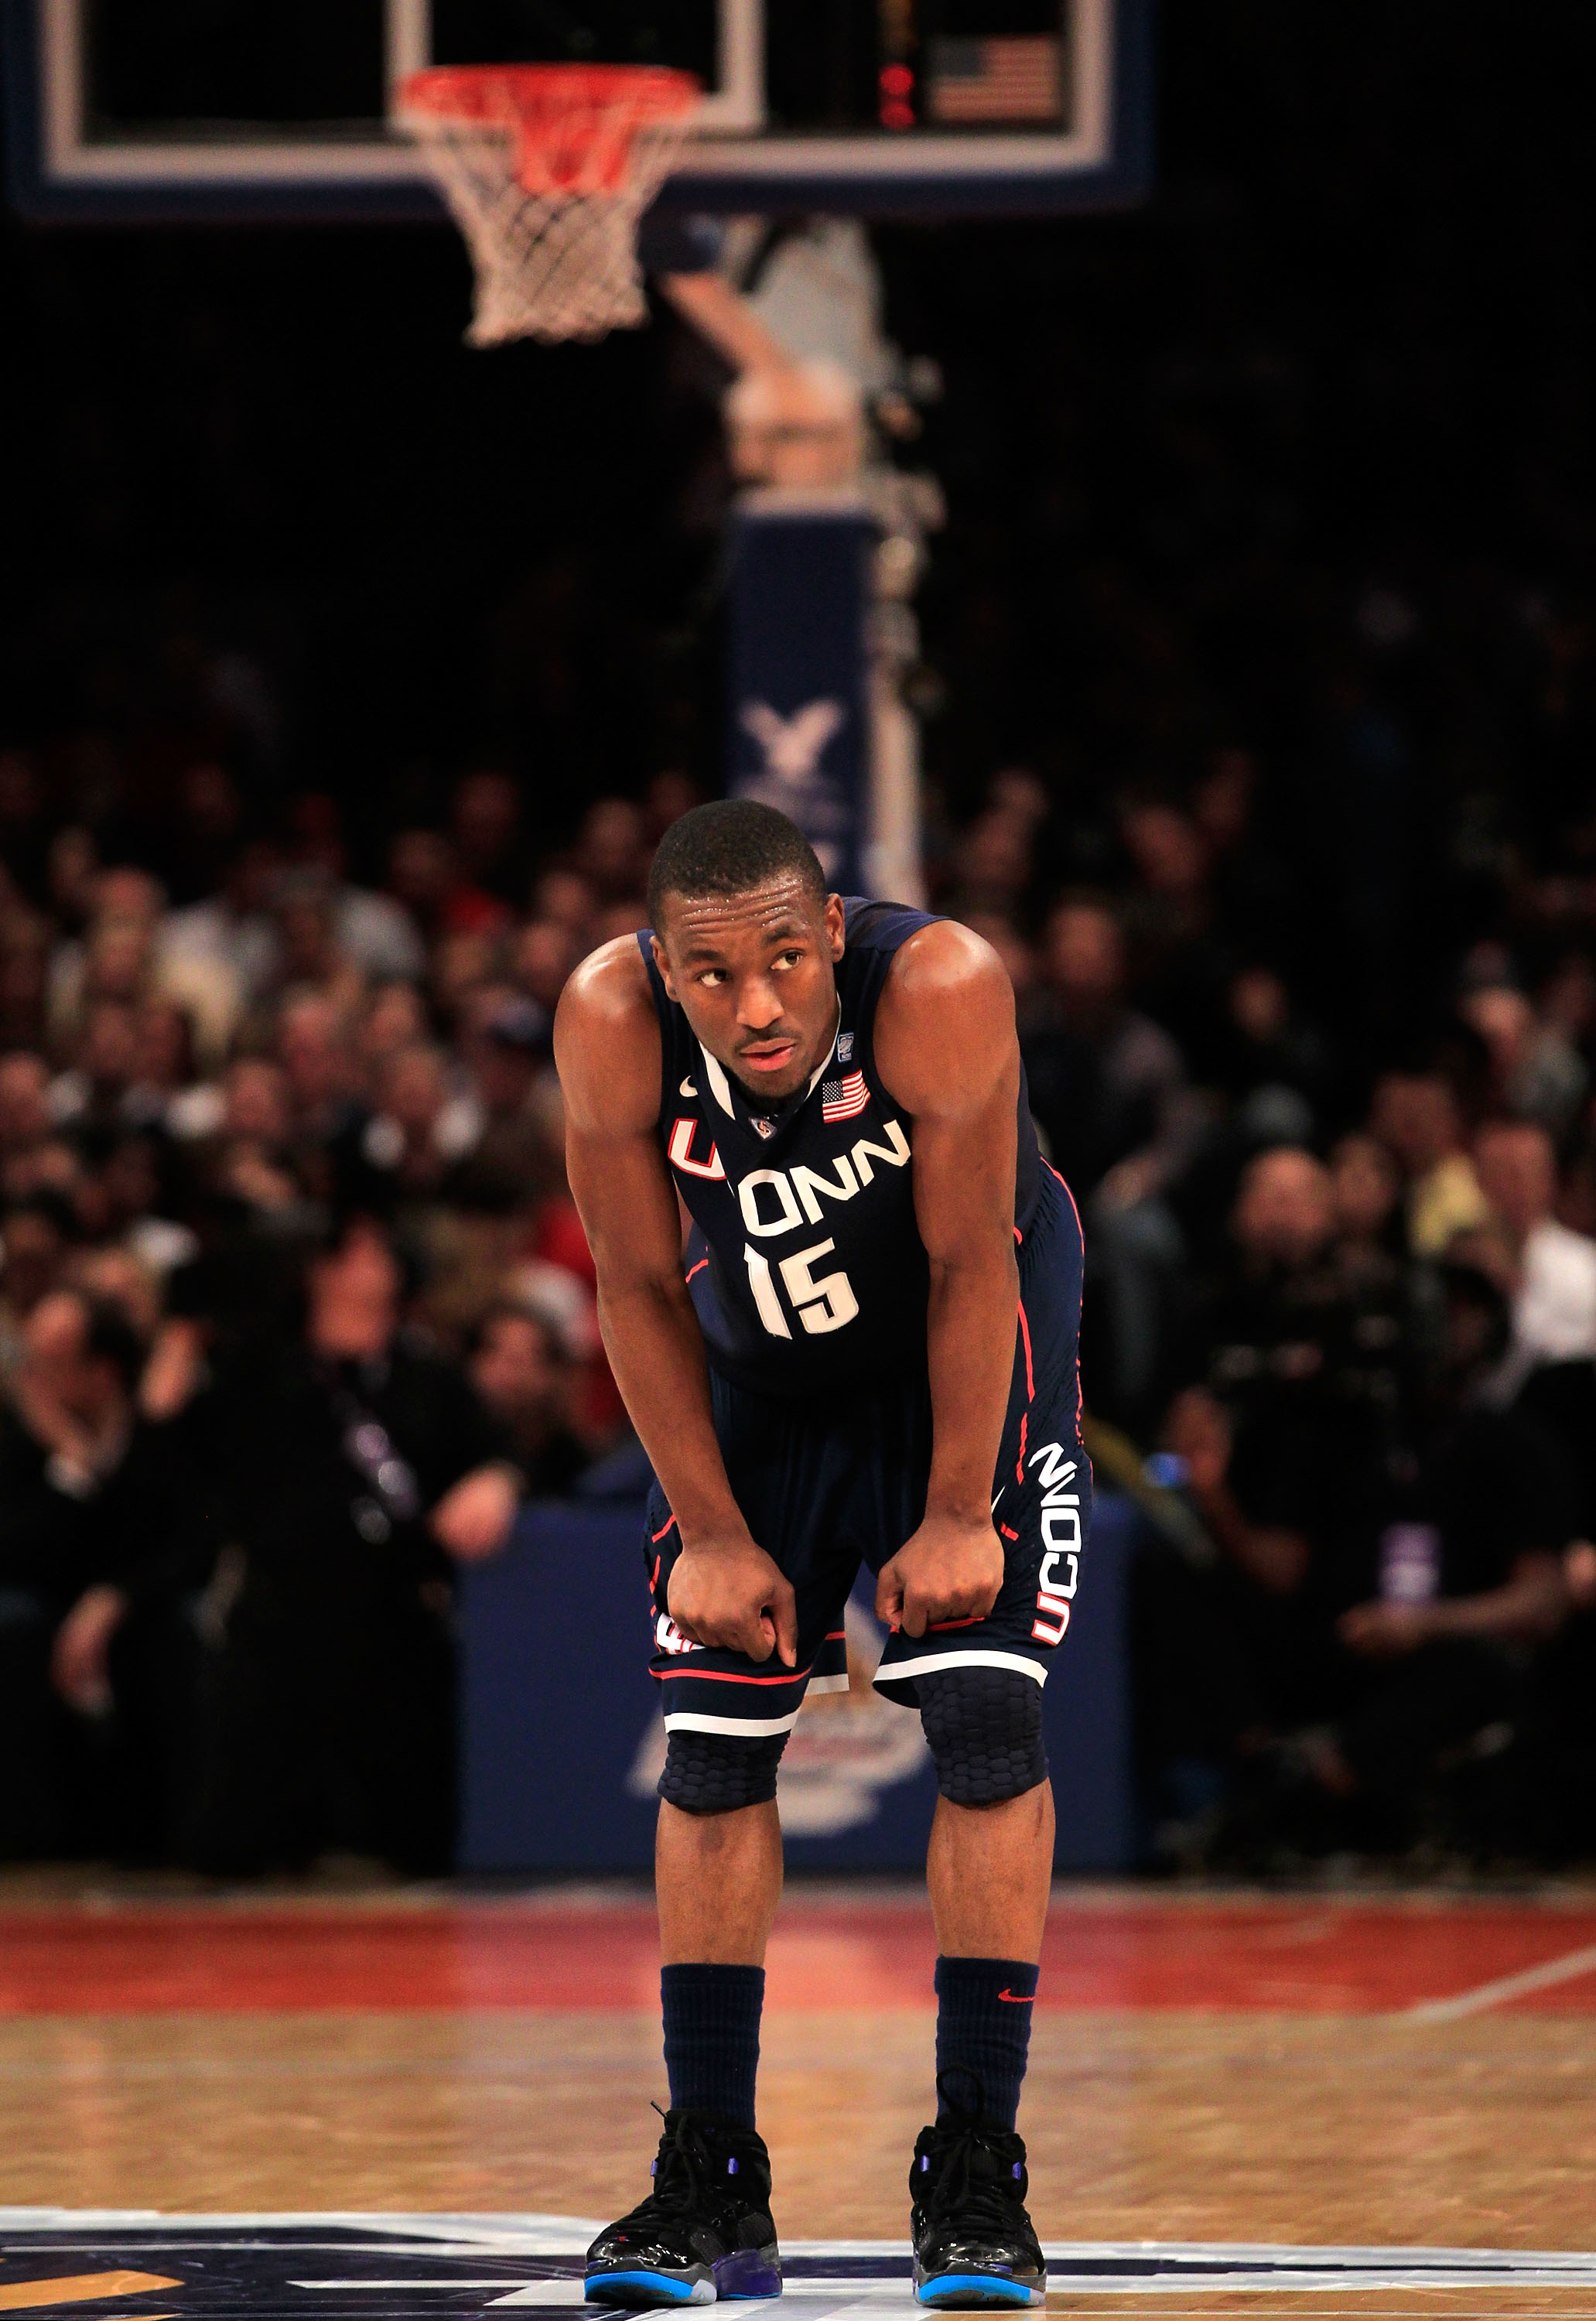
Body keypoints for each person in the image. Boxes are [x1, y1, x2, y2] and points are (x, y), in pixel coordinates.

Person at [556, 801, 1089, 2311]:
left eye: (789, 961)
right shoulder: (604, 1019)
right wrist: (713, 1533)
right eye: (715, 977)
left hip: (957, 1347)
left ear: (832, 934)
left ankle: (975, 2168)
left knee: (984, 1708)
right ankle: (712, 2179)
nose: (760, 1004)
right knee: (715, 1745)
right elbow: (635, 1284)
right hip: (761, 1362)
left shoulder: (940, 988)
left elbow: (975, 1260)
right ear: (661, 969)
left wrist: (952, 1508)